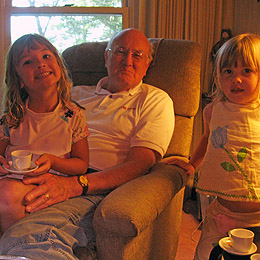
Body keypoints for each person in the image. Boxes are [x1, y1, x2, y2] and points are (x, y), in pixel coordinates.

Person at [0, 28, 174, 259]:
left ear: (149, 63)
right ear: (106, 56)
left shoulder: (155, 100)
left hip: (91, 187)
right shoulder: (73, 93)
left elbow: (140, 163)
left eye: (138, 55)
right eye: (120, 51)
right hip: (33, 176)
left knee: (33, 237)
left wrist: (75, 184)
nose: (127, 60)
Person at [166, 33, 260, 260]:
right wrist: (192, 165)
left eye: (246, 71)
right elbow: (207, 139)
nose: (236, 79)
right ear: (218, 76)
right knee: (208, 254)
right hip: (222, 213)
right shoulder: (213, 111)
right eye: (228, 71)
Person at [0, 34, 89, 235]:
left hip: (49, 187)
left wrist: (53, 161)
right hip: (12, 182)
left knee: (6, 194)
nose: (40, 64)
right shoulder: (12, 118)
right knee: (6, 191)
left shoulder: (73, 115)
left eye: (46, 56)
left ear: (59, 65)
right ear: (19, 79)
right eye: (28, 62)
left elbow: (82, 164)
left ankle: (13, 249)